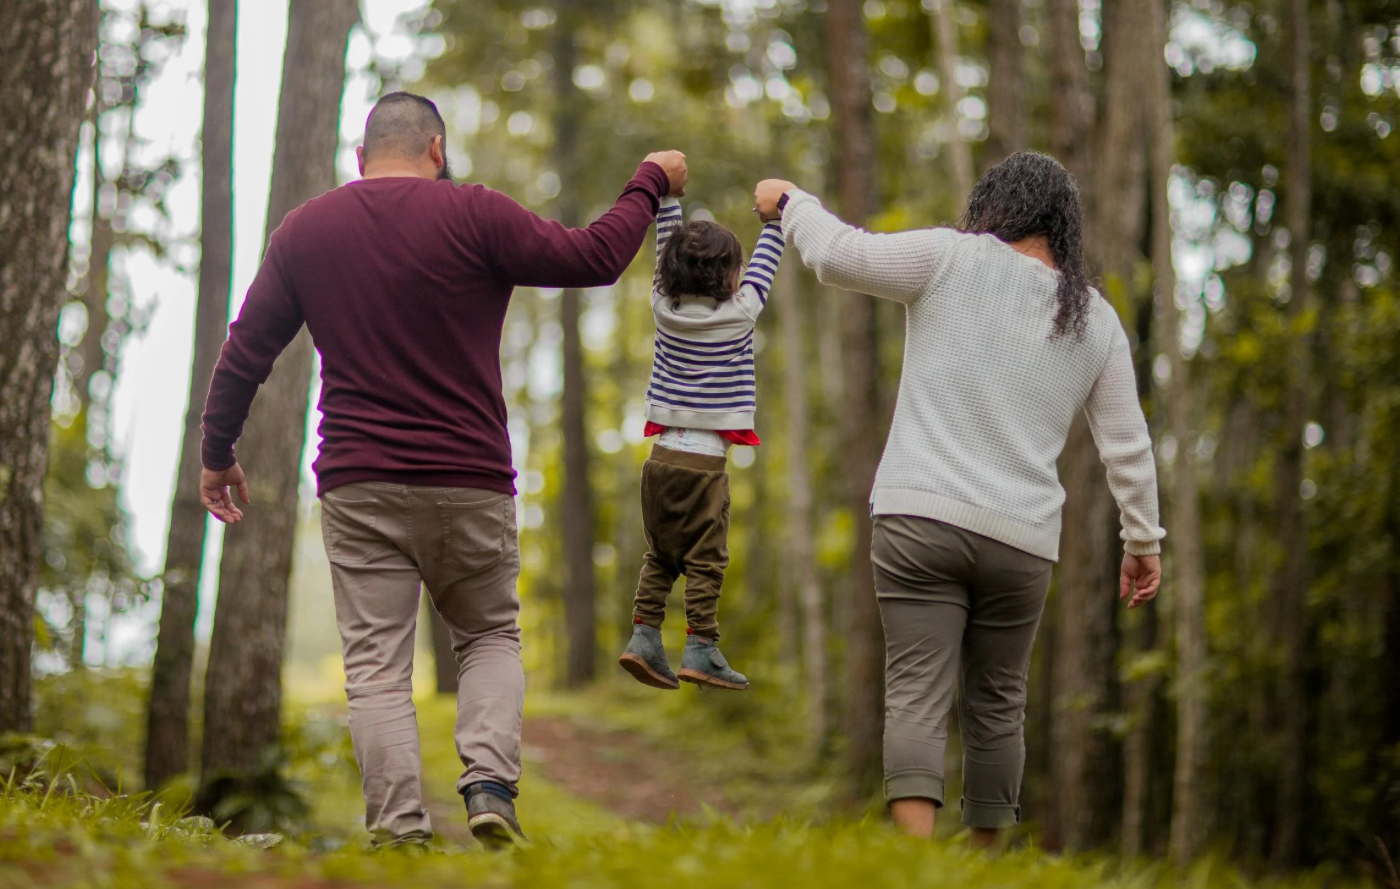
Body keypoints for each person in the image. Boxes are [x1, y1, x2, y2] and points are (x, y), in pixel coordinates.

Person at [197, 91, 688, 849]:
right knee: (489, 633)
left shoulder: (307, 230)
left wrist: (217, 451)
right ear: (437, 149)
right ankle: (490, 784)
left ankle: (398, 830)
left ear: (361, 160)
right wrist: (649, 180)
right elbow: (594, 257)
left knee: (376, 670)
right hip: (469, 477)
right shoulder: (475, 213)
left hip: (358, 481)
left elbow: (246, 350)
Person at [753, 151, 1165, 848]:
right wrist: (1143, 541)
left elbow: (837, 256)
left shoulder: (949, 257)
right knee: (1000, 704)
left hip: (919, 518)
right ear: (1064, 227)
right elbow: (1127, 444)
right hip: (1022, 540)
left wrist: (792, 200)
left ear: (994, 206)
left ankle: (917, 859)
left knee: (917, 689)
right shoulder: (1094, 319)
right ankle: (982, 863)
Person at [616, 196, 785, 692]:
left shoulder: (661, 308)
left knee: (660, 555)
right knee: (705, 561)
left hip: (660, 461)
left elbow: (661, 250)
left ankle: (644, 635)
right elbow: (767, 261)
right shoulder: (741, 313)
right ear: (729, 277)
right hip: (704, 466)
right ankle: (701, 647)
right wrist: (775, 219)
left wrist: (668, 199)